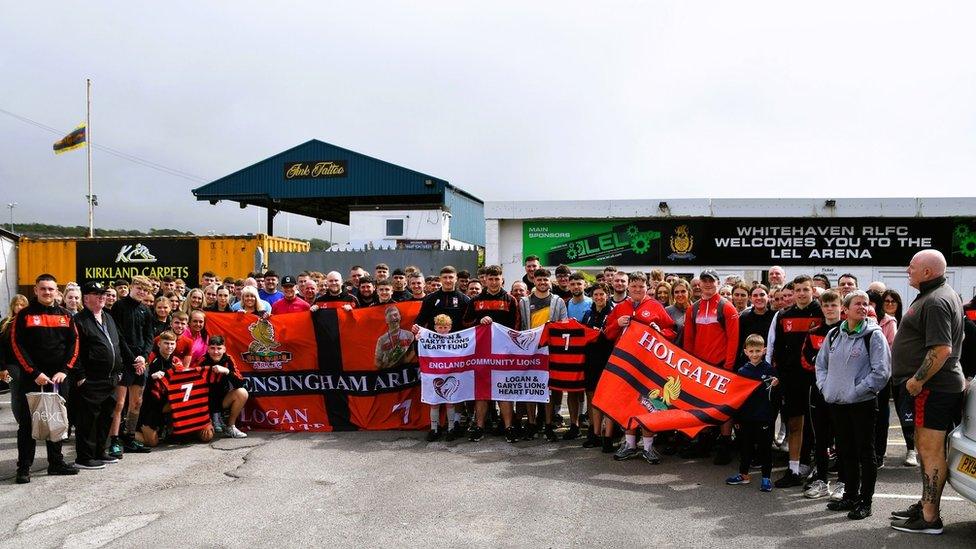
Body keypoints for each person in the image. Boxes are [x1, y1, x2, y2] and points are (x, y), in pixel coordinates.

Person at [890, 250, 966, 535]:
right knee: (925, 450)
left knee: (929, 450)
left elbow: (942, 349)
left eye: (912, 266)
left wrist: (916, 381)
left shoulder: (935, 301)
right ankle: (925, 504)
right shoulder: (937, 294)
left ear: (927, 272)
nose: (907, 269)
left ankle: (930, 518)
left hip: (933, 388)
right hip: (936, 387)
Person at [816, 290, 891, 521]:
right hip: (837, 402)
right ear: (845, 310)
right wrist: (825, 387)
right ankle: (849, 495)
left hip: (862, 404)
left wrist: (856, 390)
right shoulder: (833, 335)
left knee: (865, 453)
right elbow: (821, 365)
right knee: (845, 451)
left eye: (865, 304)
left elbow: (882, 372)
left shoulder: (873, 336)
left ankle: (864, 502)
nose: (862, 307)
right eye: (857, 304)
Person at [9, 274, 80, 483]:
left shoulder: (66, 316)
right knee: (27, 424)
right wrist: (34, 372)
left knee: (57, 422)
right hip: (32, 380)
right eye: (43, 289)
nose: (47, 292)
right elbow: (17, 346)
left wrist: (65, 371)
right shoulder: (24, 316)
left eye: (50, 289)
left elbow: (74, 345)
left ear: (56, 290)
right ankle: (24, 467)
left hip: (58, 380)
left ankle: (56, 463)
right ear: (36, 290)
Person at [603, 271, 676, 464]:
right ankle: (629, 444)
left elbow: (672, 331)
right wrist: (617, 324)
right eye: (633, 286)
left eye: (641, 286)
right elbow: (608, 334)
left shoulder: (655, 306)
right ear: (628, 287)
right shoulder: (620, 307)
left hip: (649, 366)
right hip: (626, 365)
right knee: (627, 402)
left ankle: (648, 447)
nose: (637, 289)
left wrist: (661, 332)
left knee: (648, 403)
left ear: (647, 288)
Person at [770, 275, 824, 488]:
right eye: (798, 290)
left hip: (817, 380)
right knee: (794, 424)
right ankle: (793, 469)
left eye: (805, 289)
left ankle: (818, 470)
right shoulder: (784, 316)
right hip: (791, 380)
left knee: (819, 427)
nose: (801, 293)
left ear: (813, 291)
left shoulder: (822, 313)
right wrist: (780, 376)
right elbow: (778, 351)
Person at [682, 269, 740, 464]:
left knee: (723, 408)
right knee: (700, 406)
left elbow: (734, 340)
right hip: (699, 367)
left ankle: (725, 444)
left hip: (721, 366)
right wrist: (689, 365)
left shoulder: (727, 307)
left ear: (718, 282)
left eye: (711, 281)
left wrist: (729, 366)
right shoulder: (693, 309)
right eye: (704, 281)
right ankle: (703, 442)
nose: (707, 284)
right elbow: (689, 339)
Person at [462, 265, 520, 442]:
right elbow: (465, 323)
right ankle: (479, 427)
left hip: (503, 353)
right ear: (484, 280)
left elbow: (517, 326)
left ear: (502, 279)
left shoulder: (510, 300)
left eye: (497, 279)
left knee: (504, 391)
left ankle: (509, 427)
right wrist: (478, 321)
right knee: (482, 392)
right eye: (491, 279)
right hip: (480, 354)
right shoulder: (475, 301)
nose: (494, 282)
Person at [71, 282, 123, 470]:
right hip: (91, 379)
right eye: (96, 293)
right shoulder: (79, 320)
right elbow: (73, 351)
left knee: (105, 417)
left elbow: (116, 345)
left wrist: (120, 370)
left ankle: (100, 451)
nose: (102, 296)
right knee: (88, 420)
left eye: (103, 293)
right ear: (86, 298)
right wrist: (80, 375)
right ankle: (84, 458)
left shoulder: (108, 317)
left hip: (110, 378)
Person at [800, 290, 845, 501]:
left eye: (833, 305)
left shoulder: (848, 330)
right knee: (821, 439)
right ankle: (821, 480)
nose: (829, 309)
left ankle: (844, 481)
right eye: (826, 305)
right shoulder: (814, 332)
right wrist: (823, 365)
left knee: (843, 437)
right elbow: (806, 360)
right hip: (818, 392)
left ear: (841, 307)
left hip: (842, 393)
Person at [516, 268, 568, 440]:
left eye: (546, 280)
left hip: (550, 350)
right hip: (530, 351)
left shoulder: (558, 301)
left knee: (548, 389)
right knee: (531, 387)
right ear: (534, 282)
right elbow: (521, 325)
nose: (543, 283)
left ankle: (548, 425)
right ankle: (531, 424)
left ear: (549, 281)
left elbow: (564, 324)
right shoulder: (524, 301)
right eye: (539, 280)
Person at [109, 274, 155, 457]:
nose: (141, 292)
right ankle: (114, 440)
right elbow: (118, 336)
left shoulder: (146, 310)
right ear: (131, 287)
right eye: (139, 288)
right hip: (124, 361)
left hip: (140, 362)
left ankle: (129, 437)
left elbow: (149, 338)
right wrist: (133, 359)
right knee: (119, 403)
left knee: (136, 402)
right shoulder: (118, 306)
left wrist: (143, 357)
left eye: (145, 290)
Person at [726, 334, 777, 492]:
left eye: (758, 350)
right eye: (752, 351)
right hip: (746, 417)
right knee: (745, 447)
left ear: (764, 351)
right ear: (746, 352)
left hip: (764, 417)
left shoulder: (770, 370)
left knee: (765, 449)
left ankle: (766, 478)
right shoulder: (742, 371)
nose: (755, 354)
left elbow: (776, 395)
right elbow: (737, 397)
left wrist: (777, 383)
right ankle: (744, 475)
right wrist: (737, 418)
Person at [581, 282, 615, 451]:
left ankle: (608, 437)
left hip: (608, 360)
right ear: (592, 297)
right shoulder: (587, 314)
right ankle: (594, 434)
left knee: (608, 399)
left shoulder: (614, 313)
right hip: (591, 361)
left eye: (602, 294)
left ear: (607, 295)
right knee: (593, 398)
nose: (599, 297)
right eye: (596, 295)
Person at [137, 330, 183, 447]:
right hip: (149, 407)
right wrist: (151, 377)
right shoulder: (151, 359)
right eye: (166, 343)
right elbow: (139, 384)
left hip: (164, 404)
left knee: (180, 401)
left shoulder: (176, 361)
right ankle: (126, 434)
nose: (169, 346)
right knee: (152, 443)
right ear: (159, 344)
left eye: (172, 343)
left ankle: (172, 431)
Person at [197, 335, 249, 439]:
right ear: (208, 349)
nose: (216, 352)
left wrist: (227, 371)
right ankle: (208, 422)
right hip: (205, 404)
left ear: (224, 349)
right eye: (212, 348)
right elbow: (195, 388)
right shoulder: (202, 360)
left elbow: (240, 383)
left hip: (223, 400)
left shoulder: (228, 359)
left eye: (219, 348)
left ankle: (230, 426)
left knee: (242, 392)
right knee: (206, 437)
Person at [423, 314, 459, 442]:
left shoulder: (455, 339)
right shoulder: (429, 339)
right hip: (434, 374)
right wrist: (419, 338)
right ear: (435, 327)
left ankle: (451, 428)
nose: (442, 330)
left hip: (450, 374)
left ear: (449, 327)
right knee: (434, 402)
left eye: (445, 327)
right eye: (440, 327)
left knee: (450, 402)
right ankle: (434, 428)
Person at [737, 284, 774, 368]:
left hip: (769, 364)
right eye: (755, 295)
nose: (759, 298)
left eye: (762, 295)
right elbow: (739, 344)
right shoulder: (744, 317)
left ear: (768, 297)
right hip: (748, 364)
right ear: (750, 298)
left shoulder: (775, 316)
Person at [374, 305, 416, 370]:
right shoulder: (382, 339)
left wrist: (406, 361)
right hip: (389, 373)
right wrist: (385, 366)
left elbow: (414, 351)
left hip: (405, 371)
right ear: (386, 320)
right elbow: (377, 361)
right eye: (390, 316)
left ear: (400, 317)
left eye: (396, 315)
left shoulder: (409, 335)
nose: (393, 318)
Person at [665, 279, 691, 346]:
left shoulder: (696, 309)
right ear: (673, 295)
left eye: (683, 291)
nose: (680, 294)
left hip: (694, 354)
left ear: (689, 292)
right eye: (676, 292)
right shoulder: (667, 311)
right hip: (675, 353)